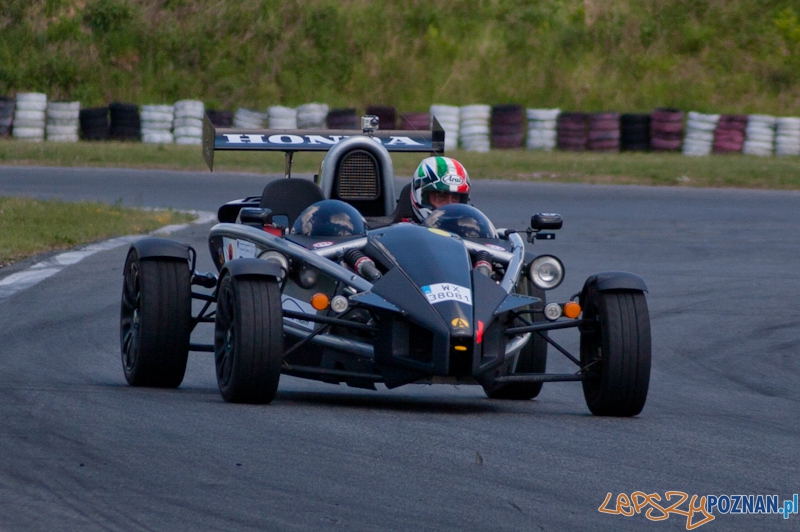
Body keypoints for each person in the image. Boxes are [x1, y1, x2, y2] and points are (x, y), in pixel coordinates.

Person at [409, 156, 471, 221]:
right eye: (441, 197)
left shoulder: (470, 229)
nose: (450, 204)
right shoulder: (405, 230)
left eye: (455, 198)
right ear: (423, 198)